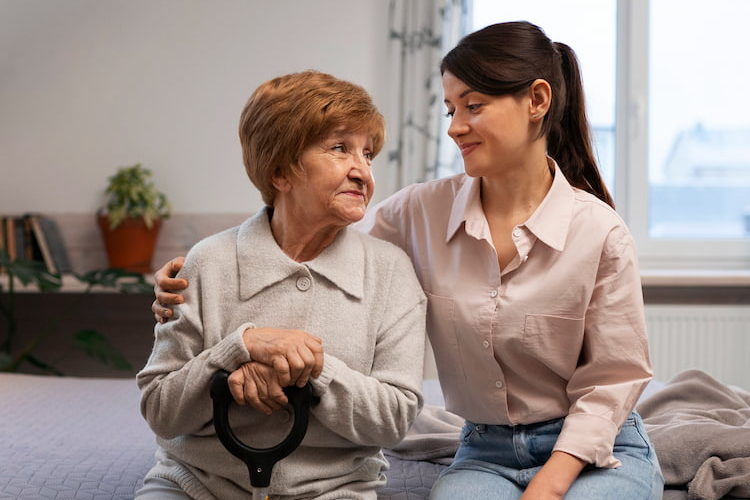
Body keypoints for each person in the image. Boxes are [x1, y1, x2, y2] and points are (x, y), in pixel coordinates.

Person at [152, 21, 663, 499]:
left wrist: (548, 487)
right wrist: (196, 276)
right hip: (485, 447)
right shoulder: (419, 212)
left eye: (473, 106)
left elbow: (613, 380)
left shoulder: (600, 232)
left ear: (537, 100)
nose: (455, 127)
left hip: (598, 449)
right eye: (449, 110)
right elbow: (305, 237)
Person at [136, 70, 427, 500]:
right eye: (339, 149)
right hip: (198, 486)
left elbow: (394, 420)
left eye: (367, 155)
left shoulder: (391, 270)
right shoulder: (207, 262)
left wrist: (311, 368)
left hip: (336, 491)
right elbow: (161, 409)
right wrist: (240, 347)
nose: (362, 171)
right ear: (280, 172)